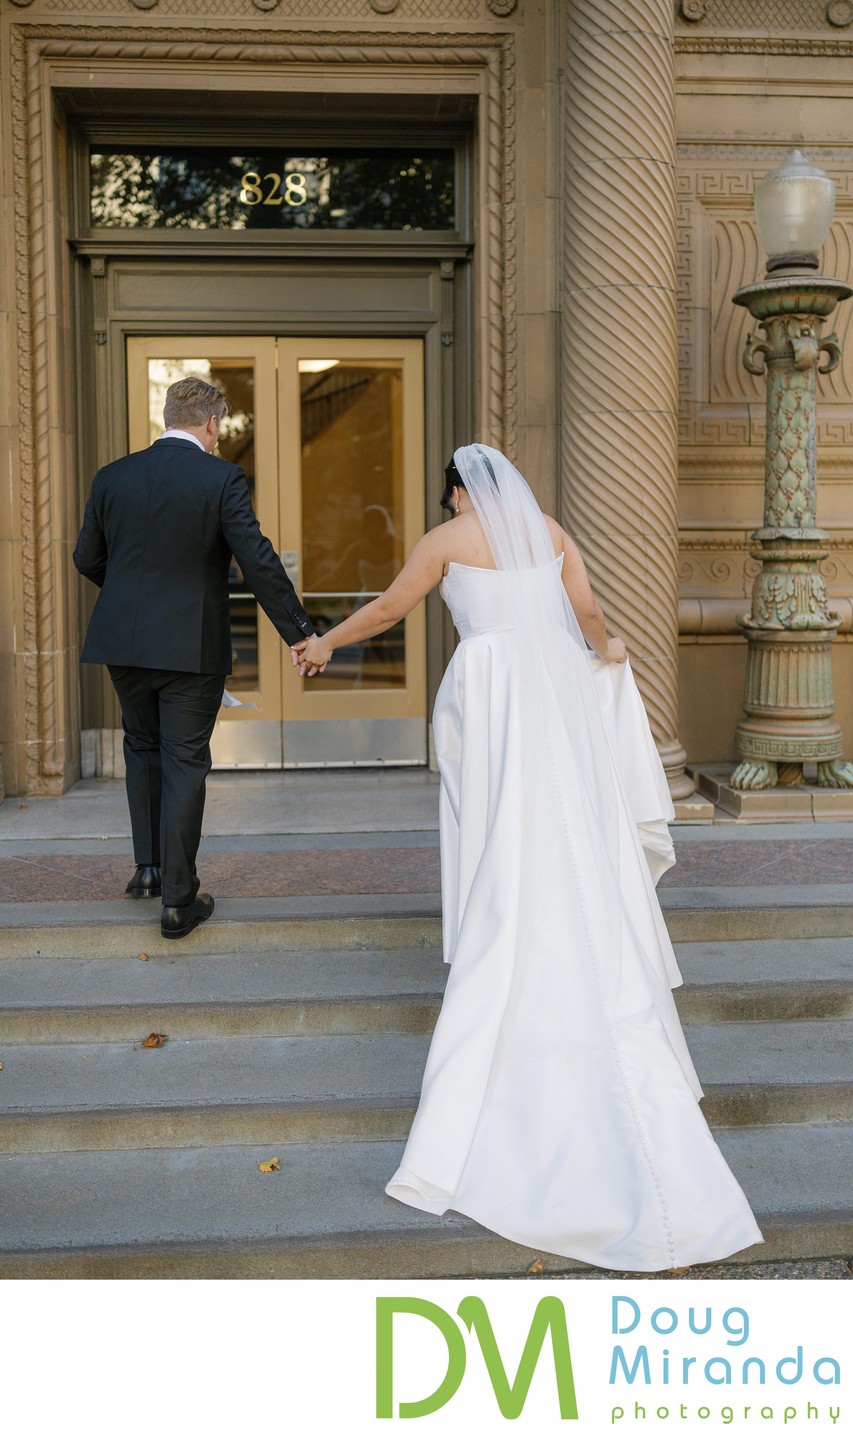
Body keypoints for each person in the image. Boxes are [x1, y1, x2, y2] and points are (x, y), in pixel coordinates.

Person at [293, 443, 763, 1272]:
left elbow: (389, 609)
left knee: (499, 836)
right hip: (548, 698)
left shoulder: (446, 542)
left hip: (489, 698)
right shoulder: (549, 531)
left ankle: (510, 941)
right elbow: (585, 614)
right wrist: (610, 649)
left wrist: (324, 641)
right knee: (563, 826)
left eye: (451, 502)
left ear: (455, 494)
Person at [74, 376, 315, 940]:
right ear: (211, 424)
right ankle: (179, 900)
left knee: (143, 746)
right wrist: (299, 632)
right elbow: (256, 559)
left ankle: (149, 869)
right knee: (184, 758)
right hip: (190, 645)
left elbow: (88, 557)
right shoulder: (221, 477)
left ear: (167, 417)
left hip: (124, 645)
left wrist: (132, 598)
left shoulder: (112, 476)